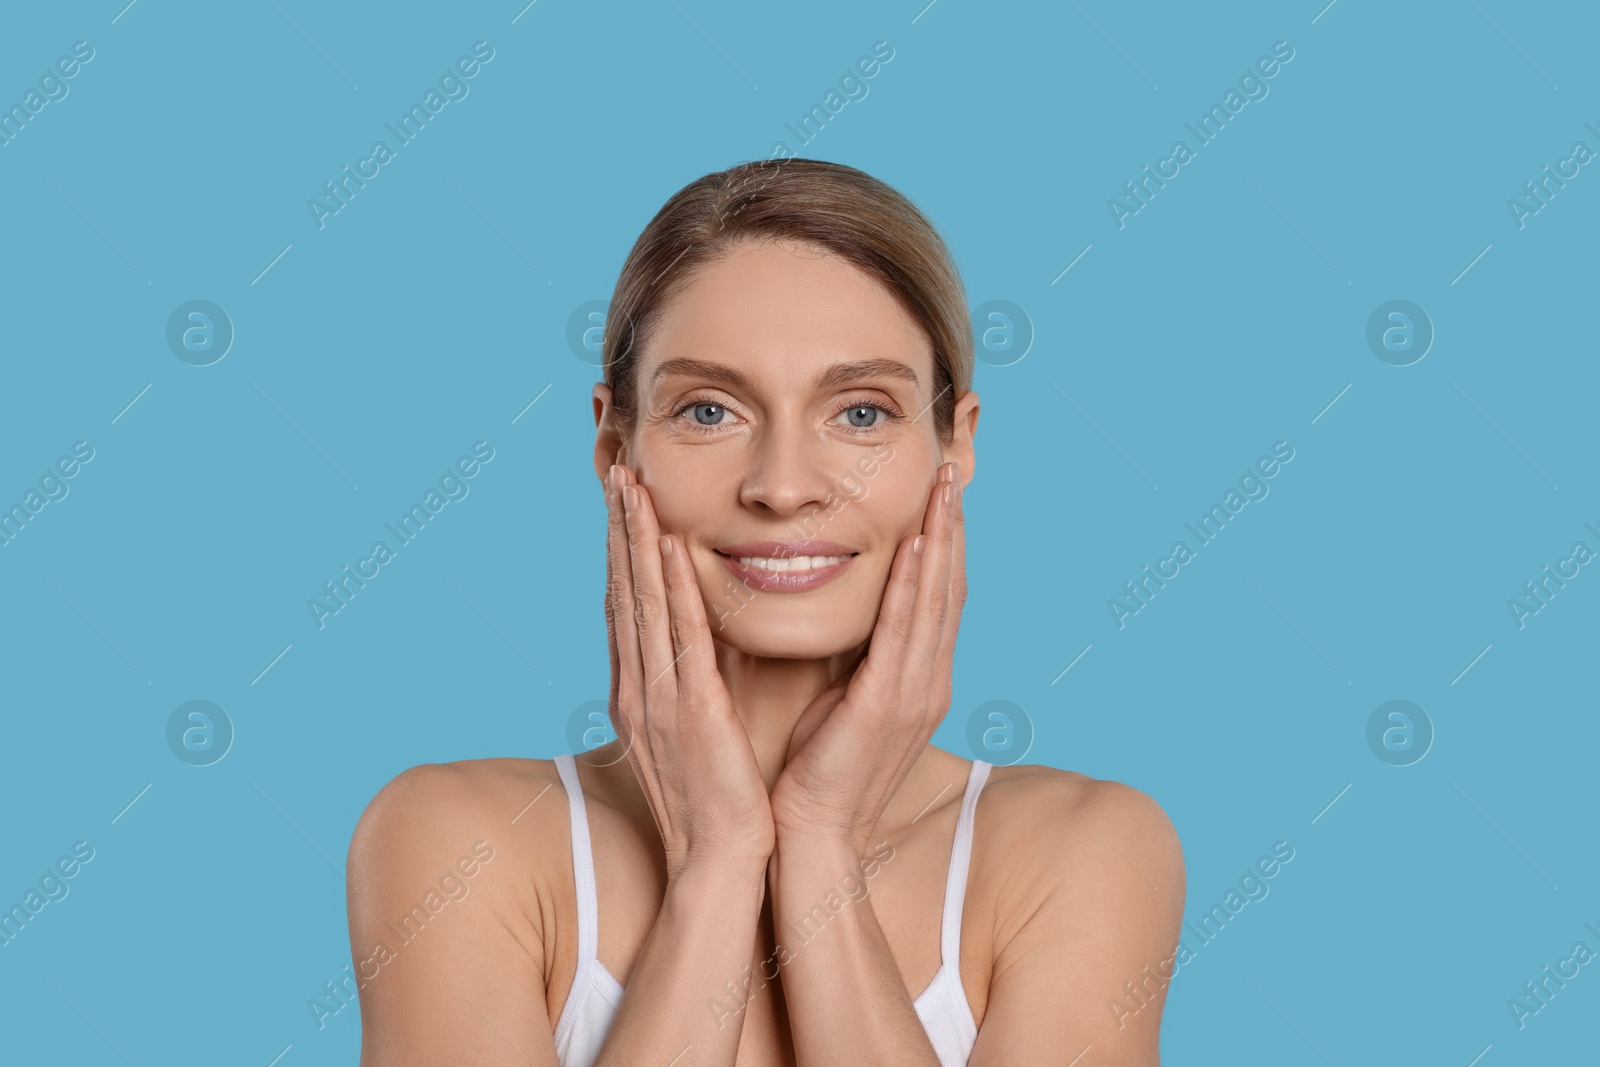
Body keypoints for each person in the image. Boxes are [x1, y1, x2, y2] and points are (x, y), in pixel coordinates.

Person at [345, 158, 1185, 1066]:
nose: (784, 487)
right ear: (614, 444)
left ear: (958, 442)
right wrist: (717, 862)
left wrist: (818, 841)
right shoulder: (451, 841)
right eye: (710, 410)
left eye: (862, 413)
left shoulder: (1086, 850)